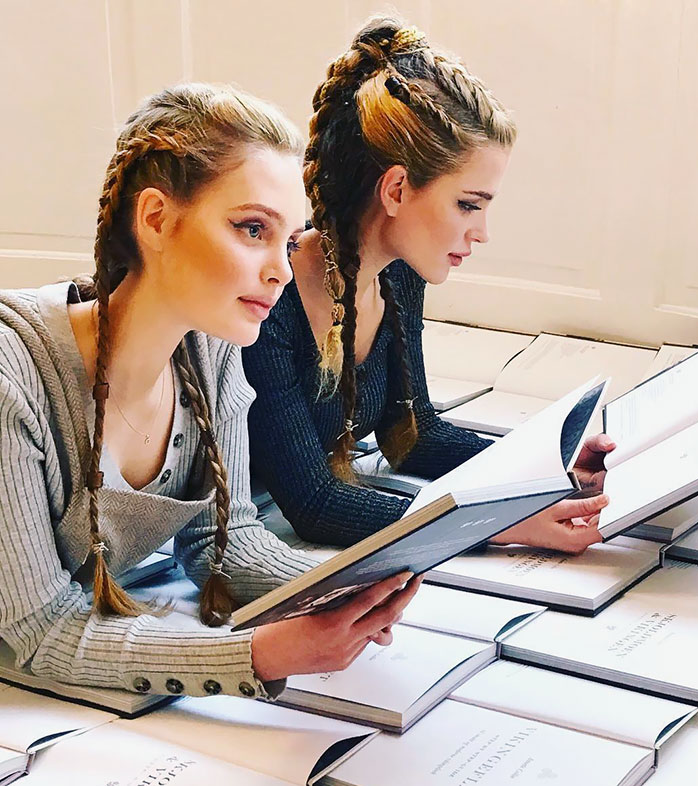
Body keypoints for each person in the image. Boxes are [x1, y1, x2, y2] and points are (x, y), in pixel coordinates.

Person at [0, 82, 421, 700]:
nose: (280, 267)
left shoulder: (212, 347)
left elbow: (222, 543)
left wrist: (348, 582)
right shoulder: (13, 377)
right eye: (252, 229)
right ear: (155, 219)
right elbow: (39, 628)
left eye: (290, 238)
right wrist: (257, 655)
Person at [243, 17, 613, 551]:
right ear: (396, 189)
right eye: (468, 205)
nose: (481, 232)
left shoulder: (399, 278)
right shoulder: (269, 302)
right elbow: (316, 503)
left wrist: (549, 463)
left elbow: (413, 437)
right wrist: (493, 525)